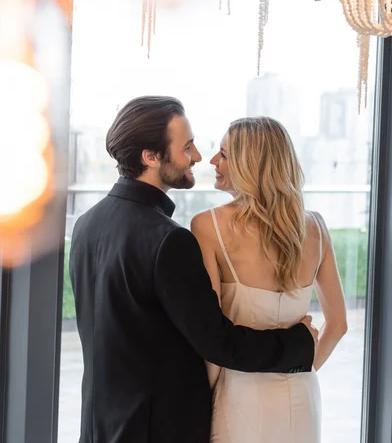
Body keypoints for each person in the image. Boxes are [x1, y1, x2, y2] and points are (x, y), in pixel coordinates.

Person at [69, 97, 317, 443]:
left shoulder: (86, 224)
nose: (198, 157)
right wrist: (299, 344)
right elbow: (218, 342)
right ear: (151, 157)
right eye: (187, 147)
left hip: (102, 427)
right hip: (158, 430)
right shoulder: (169, 240)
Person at [191, 116, 348, 443]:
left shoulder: (208, 226)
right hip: (303, 395)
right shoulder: (316, 227)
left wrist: (194, 405)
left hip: (240, 399)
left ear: (251, 163)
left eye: (224, 154)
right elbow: (338, 325)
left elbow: (212, 338)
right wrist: (299, 367)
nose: (213, 161)